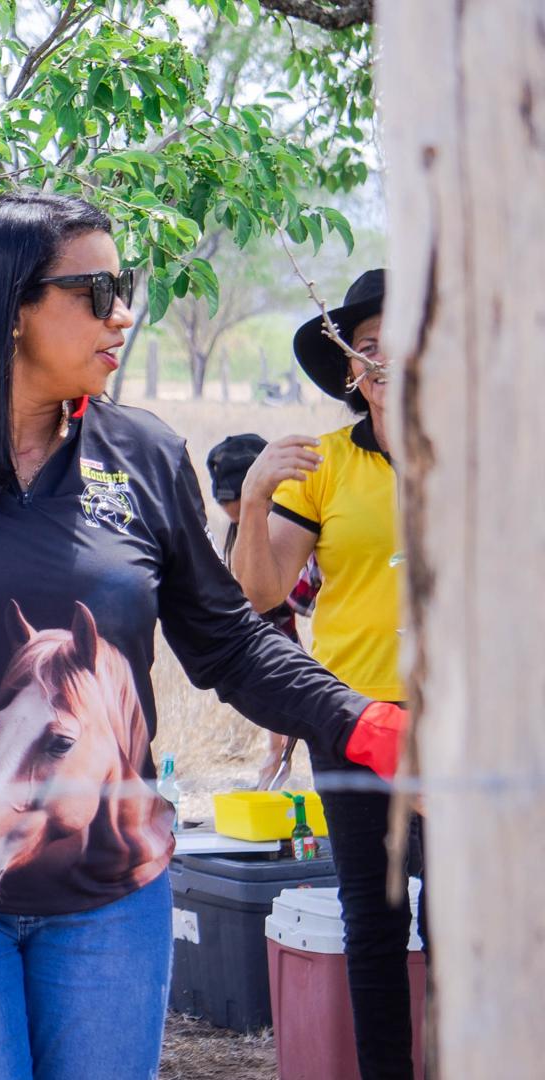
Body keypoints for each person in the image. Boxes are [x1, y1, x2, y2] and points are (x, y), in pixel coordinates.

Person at [0, 190, 407, 1079]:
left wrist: (359, 720)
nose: (124, 314)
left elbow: (227, 640)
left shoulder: (145, 456)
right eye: (97, 293)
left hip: (112, 892)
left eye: (123, 289)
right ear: (11, 306)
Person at [230, 269, 426, 1080]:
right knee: (373, 923)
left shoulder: (483, 454)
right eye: (367, 347)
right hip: (351, 721)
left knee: (467, 917)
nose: (384, 361)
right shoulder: (326, 465)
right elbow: (259, 592)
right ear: (350, 369)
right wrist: (252, 499)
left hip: (463, 723)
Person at [206, 432, 323, 788]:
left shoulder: (302, 520)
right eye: (238, 522)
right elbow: (273, 631)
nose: (244, 528)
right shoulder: (240, 541)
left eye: (251, 514)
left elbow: (294, 604)